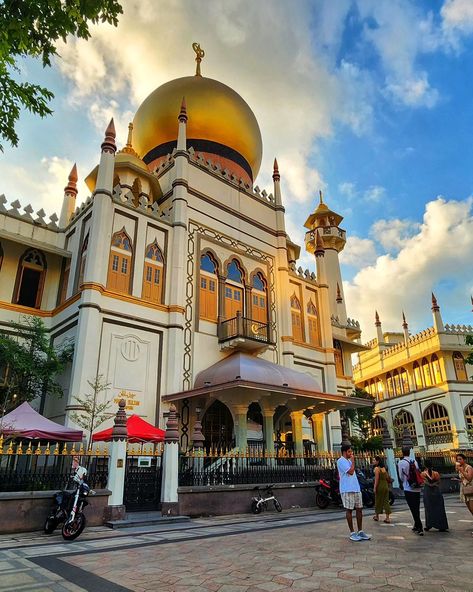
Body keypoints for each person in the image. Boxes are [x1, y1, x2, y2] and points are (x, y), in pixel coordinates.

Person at [337, 444, 372, 542]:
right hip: (347, 489)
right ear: (344, 452)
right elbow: (351, 472)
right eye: (349, 452)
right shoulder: (341, 461)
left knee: (359, 509)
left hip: (355, 488)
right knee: (349, 510)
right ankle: (352, 532)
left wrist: (351, 461)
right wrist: (352, 462)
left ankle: (360, 531)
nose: (351, 453)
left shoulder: (348, 460)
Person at [398, 447, 423, 535]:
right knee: (417, 507)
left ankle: (419, 526)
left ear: (402, 453)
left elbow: (401, 476)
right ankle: (416, 525)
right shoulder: (414, 461)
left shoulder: (401, 462)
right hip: (417, 487)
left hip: (408, 487)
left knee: (412, 508)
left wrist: (404, 480)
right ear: (409, 452)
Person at [421, 460, 448, 532]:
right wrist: (434, 484)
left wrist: (430, 484)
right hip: (436, 491)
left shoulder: (423, 474)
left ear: (424, 466)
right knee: (439, 508)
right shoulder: (436, 473)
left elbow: (425, 483)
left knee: (428, 508)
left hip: (428, 492)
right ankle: (442, 525)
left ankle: (429, 525)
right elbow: (438, 482)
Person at [455, 453, 473, 532]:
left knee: (472, 509)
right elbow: (463, 479)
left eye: (460, 459)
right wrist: (457, 480)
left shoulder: (469, 467)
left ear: (464, 460)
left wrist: (461, 470)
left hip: (470, 489)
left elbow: (469, 478)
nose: (458, 461)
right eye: (457, 459)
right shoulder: (460, 468)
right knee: (470, 509)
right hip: (464, 489)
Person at [373, 456, 392, 523]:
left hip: (380, 486)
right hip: (385, 486)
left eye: (374, 460)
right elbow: (387, 477)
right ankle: (387, 518)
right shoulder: (383, 468)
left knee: (378, 500)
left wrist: (375, 488)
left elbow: (376, 479)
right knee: (386, 501)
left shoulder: (376, 469)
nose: (373, 461)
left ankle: (377, 516)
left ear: (378, 461)